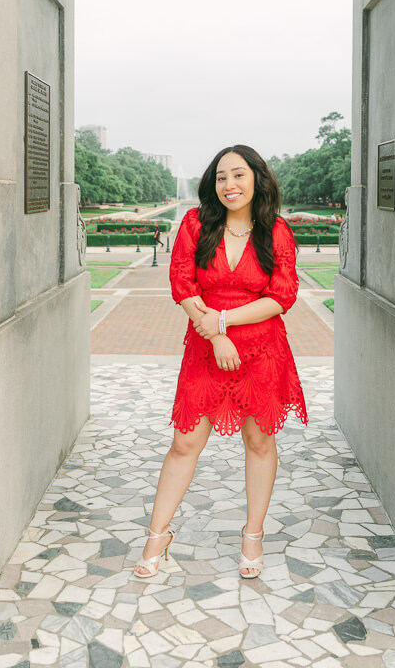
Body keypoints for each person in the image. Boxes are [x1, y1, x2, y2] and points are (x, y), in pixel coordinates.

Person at [132, 143, 308, 580]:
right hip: (206, 351)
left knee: (259, 443)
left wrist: (224, 321)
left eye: (238, 175)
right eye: (221, 177)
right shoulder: (196, 224)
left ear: (257, 179)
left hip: (262, 351)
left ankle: (253, 535)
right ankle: (157, 535)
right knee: (184, 444)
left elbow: (282, 296)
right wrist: (215, 336)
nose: (229, 184)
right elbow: (181, 281)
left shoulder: (276, 231)